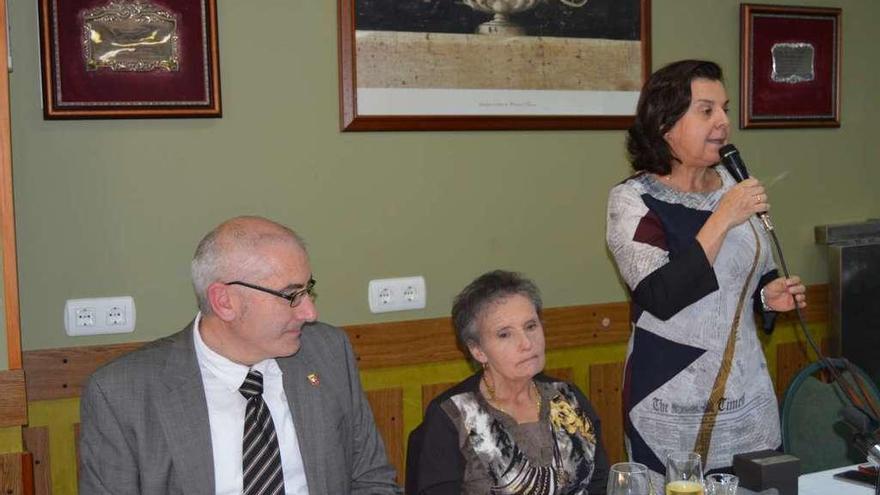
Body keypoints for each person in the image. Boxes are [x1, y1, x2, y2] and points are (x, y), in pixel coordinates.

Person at [78, 216, 402, 495]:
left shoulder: (327, 352)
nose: (310, 311)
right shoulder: (122, 395)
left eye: (308, 289)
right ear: (224, 302)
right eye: (291, 295)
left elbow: (371, 478)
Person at [605, 60, 807, 482]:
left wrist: (768, 295)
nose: (723, 122)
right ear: (665, 124)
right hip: (672, 398)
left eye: (725, 108)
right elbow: (660, 297)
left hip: (747, 396)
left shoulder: (736, 188)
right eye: (706, 110)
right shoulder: (632, 201)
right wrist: (721, 217)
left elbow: (756, 269)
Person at [409, 270, 609, 494]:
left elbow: (601, 484)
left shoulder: (568, 398)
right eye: (505, 334)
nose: (526, 343)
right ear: (478, 350)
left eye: (531, 326)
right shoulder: (451, 416)